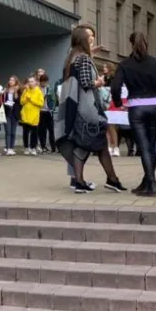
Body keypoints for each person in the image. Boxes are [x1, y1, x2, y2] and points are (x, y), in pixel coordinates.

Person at [59, 26, 128, 193]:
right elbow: (85, 82)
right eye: (88, 36)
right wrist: (98, 83)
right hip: (88, 108)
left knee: (92, 144)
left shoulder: (72, 57)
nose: (91, 39)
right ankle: (87, 181)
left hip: (79, 107)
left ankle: (100, 180)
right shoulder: (83, 58)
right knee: (92, 144)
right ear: (82, 39)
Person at [112, 32, 156, 197]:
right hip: (154, 106)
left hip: (136, 108)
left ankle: (151, 185)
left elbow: (115, 87)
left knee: (143, 147)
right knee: (151, 146)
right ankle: (147, 181)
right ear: (147, 43)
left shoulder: (125, 64)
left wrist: (118, 103)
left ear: (131, 44)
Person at [19, 76, 44, 155]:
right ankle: (26, 148)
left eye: (32, 81)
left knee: (34, 133)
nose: (30, 83)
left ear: (35, 82)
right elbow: (21, 102)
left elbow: (41, 103)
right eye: (29, 81)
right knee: (25, 133)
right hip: (25, 115)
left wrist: (31, 99)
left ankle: (33, 148)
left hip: (34, 116)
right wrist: (26, 98)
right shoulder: (26, 90)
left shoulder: (38, 91)